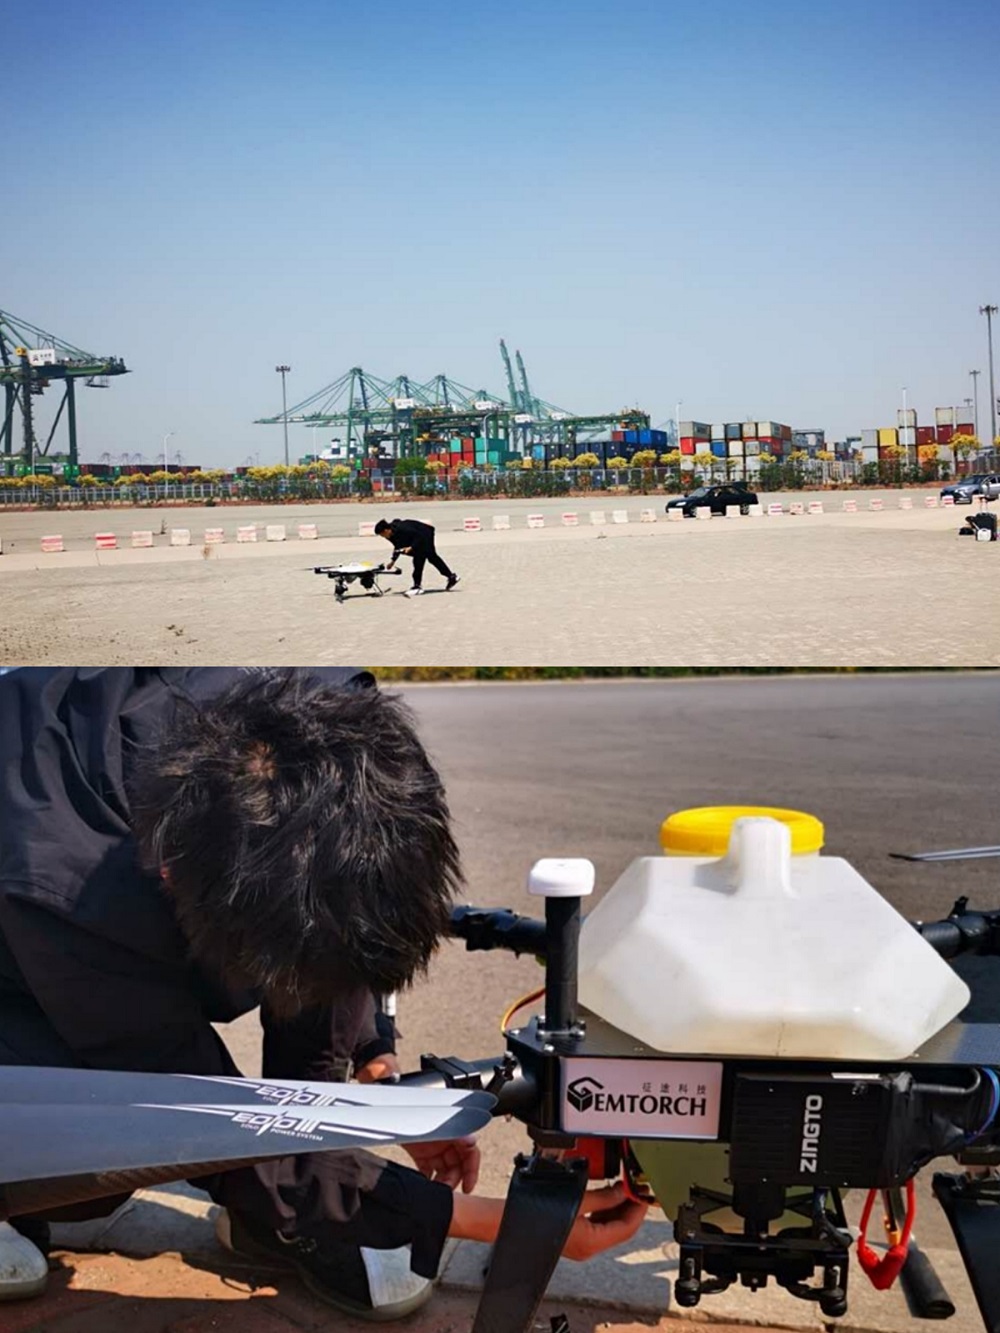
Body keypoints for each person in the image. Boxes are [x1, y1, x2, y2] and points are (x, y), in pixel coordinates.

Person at [0, 668, 645, 1317]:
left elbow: (341, 921)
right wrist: (481, 1218)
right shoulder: (64, 881)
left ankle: (282, 1210)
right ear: (177, 879)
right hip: (23, 959)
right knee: (91, 1157)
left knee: (318, 942)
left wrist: (376, 1071)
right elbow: (184, 1107)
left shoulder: (337, 723)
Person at [374, 518, 459, 597]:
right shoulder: (390, 534)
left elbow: (420, 536)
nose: (383, 537)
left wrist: (411, 547)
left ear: (386, 530)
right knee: (431, 557)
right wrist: (393, 561)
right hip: (417, 537)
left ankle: (417, 586)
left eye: (382, 535)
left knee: (421, 558)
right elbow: (397, 546)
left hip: (426, 533)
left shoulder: (403, 529)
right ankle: (452, 577)